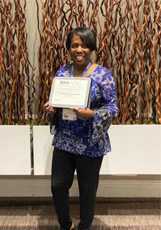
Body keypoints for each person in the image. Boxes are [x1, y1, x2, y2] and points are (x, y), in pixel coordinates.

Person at [44, 27, 118, 230]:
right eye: (75, 45)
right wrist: (51, 109)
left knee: (87, 191)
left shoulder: (103, 75)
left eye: (84, 45)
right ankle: (66, 225)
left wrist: (92, 114)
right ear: (68, 48)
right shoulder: (62, 72)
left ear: (91, 48)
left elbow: (112, 108)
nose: (79, 49)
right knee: (58, 186)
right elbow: (57, 103)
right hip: (64, 140)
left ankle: (85, 226)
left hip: (90, 143)